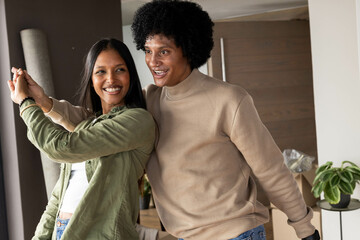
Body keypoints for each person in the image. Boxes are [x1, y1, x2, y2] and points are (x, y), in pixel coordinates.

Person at [13, 1, 321, 240]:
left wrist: (304, 226)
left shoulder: (230, 100)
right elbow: (91, 123)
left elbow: (270, 168)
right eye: (148, 51)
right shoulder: (151, 100)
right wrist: (46, 103)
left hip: (234, 233)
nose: (153, 62)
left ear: (188, 49)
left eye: (164, 52)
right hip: (182, 234)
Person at [8, 38, 155, 240]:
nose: (111, 79)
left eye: (119, 69)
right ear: (91, 79)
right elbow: (59, 196)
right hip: (63, 231)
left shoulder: (138, 121)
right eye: (101, 71)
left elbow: (62, 147)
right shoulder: (88, 124)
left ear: (130, 74)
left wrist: (26, 103)